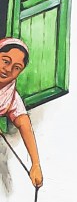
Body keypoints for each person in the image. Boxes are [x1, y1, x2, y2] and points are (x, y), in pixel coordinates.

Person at [0, 38, 43, 188]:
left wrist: (36, 164)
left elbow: (24, 124)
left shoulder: (10, 96)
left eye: (17, 67)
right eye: (5, 61)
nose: (8, 69)